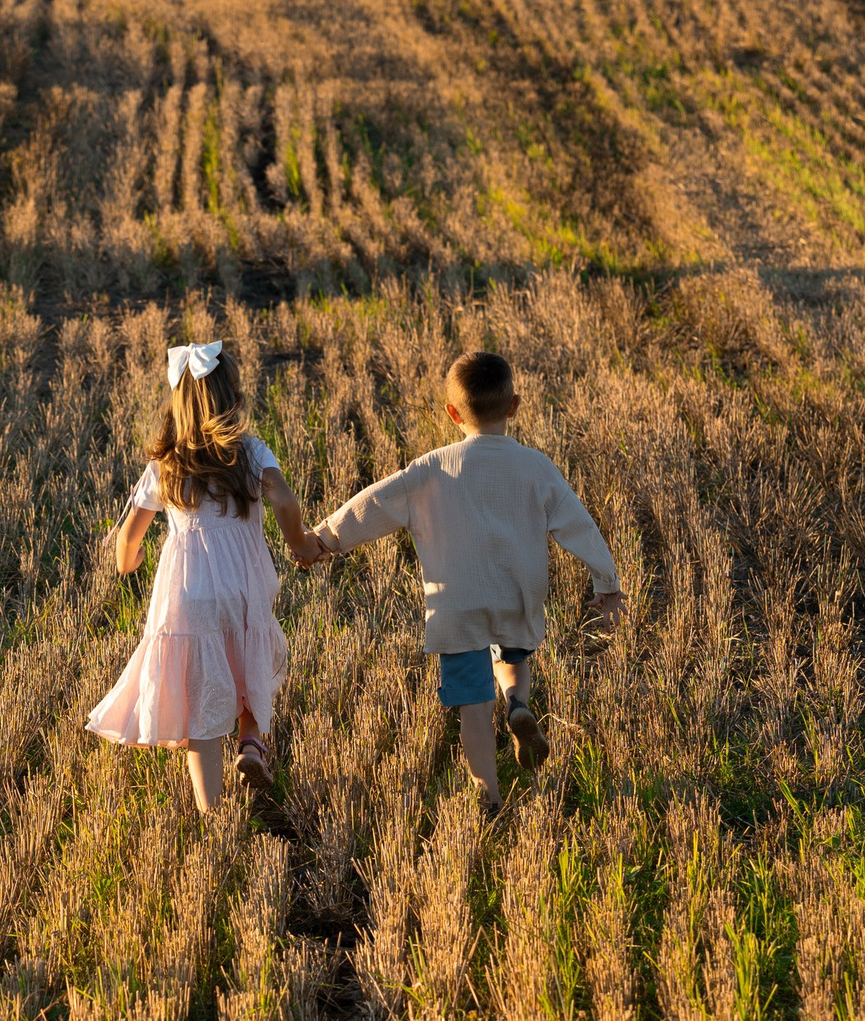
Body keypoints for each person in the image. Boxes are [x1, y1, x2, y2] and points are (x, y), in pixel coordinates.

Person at [311, 346, 622, 800]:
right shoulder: (536, 467)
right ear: (514, 407)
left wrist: (326, 537)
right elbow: (579, 525)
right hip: (518, 594)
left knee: (473, 708)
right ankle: (518, 704)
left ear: (452, 412)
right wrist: (607, 584)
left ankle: (489, 796)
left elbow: (373, 503)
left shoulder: (431, 468)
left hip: (456, 605)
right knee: (513, 658)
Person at [86, 337, 329, 816]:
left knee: (201, 694)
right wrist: (299, 542)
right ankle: (251, 741)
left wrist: (126, 561)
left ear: (177, 403)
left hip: (188, 590)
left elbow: (129, 533)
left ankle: (212, 810)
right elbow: (282, 499)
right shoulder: (253, 452)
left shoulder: (166, 463)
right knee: (248, 659)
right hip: (244, 586)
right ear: (232, 398)